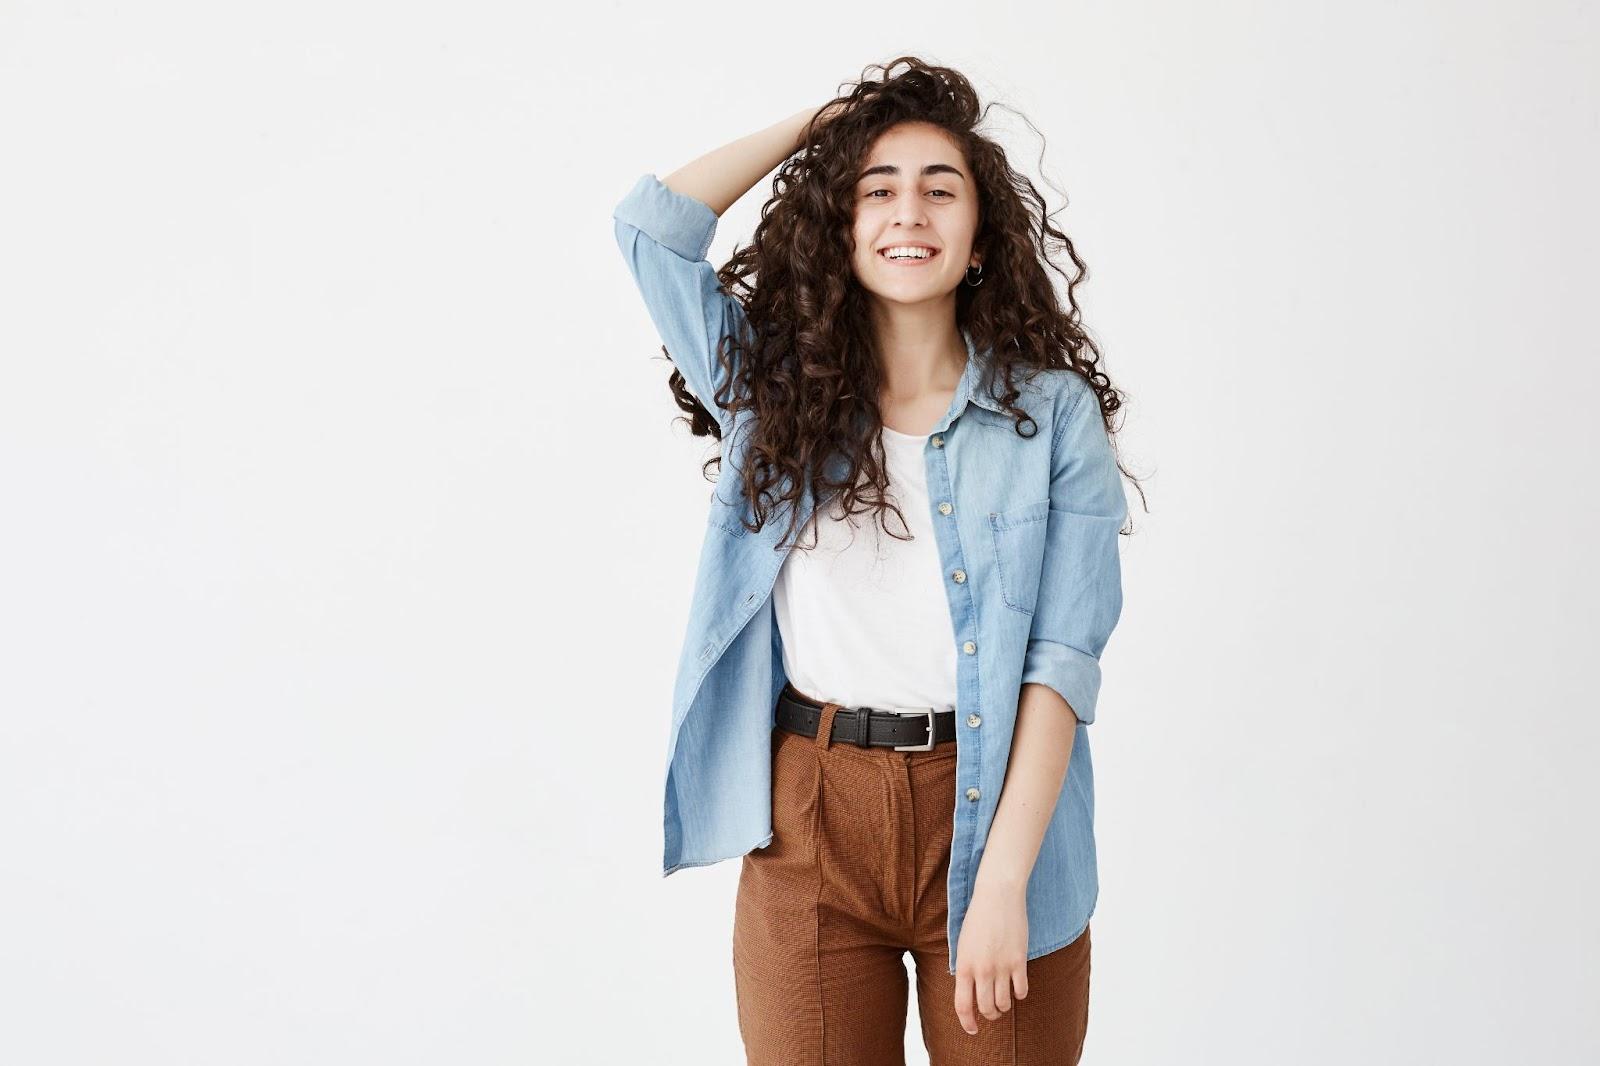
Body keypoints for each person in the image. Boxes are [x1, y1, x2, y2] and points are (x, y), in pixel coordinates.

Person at [612, 56, 1139, 1066]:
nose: (910, 210)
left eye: (940, 188)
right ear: (838, 226)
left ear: (979, 238)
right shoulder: (776, 394)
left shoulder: (1051, 415)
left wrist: (1000, 888)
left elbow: (1060, 666)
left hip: (994, 816)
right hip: (810, 815)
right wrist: (828, 121)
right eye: (877, 188)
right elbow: (651, 229)